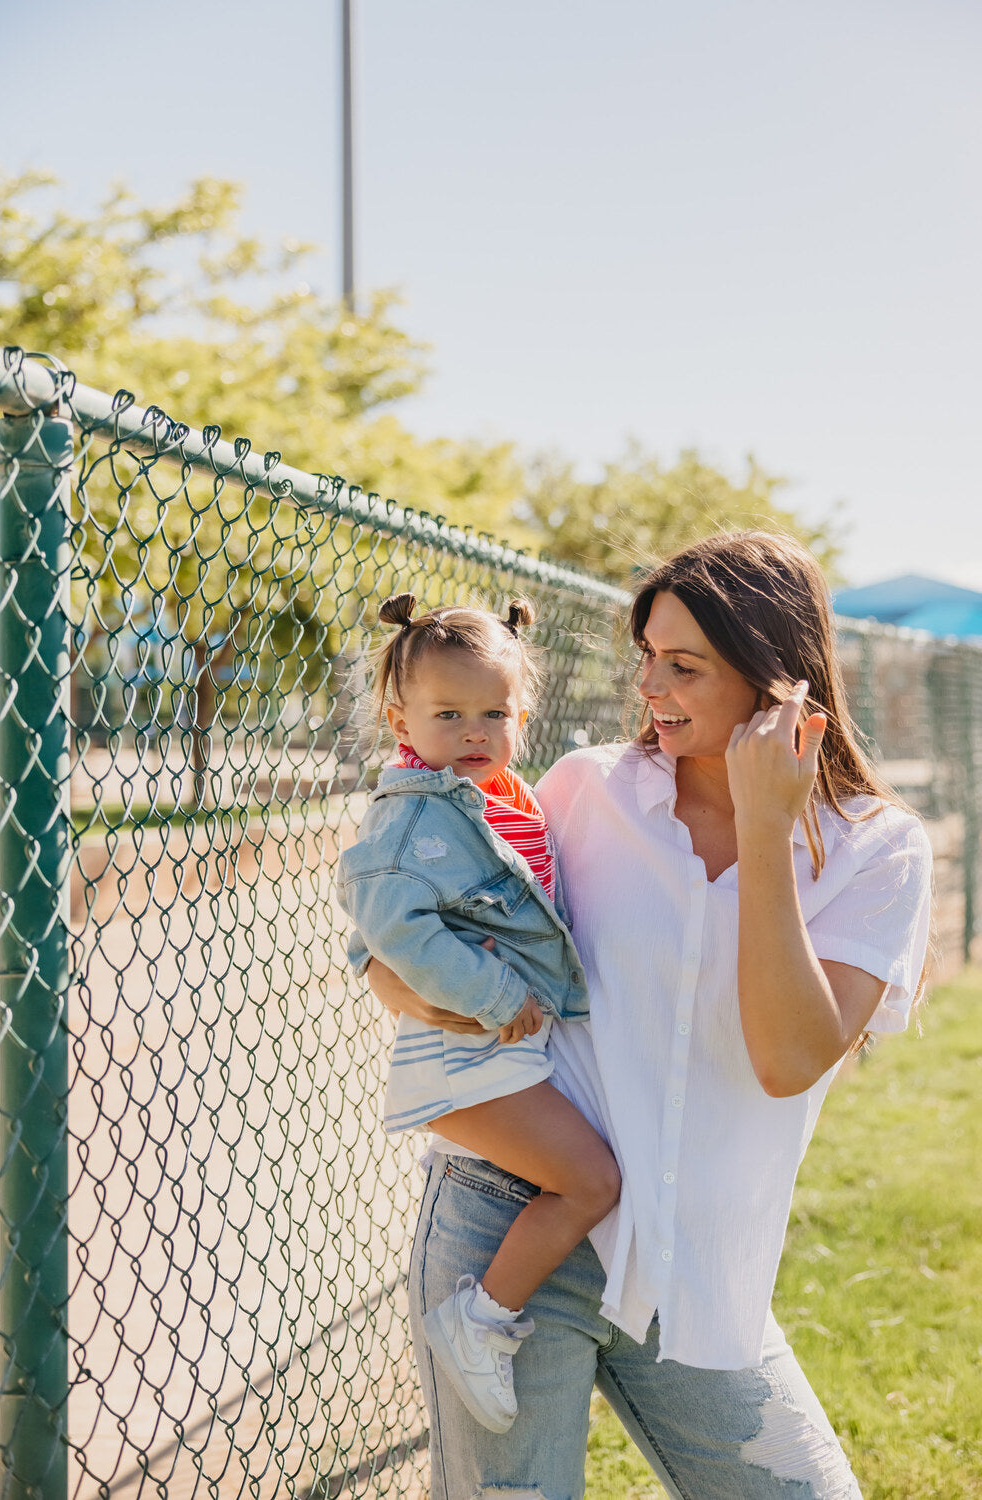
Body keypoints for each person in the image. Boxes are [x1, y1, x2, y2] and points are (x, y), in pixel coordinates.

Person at [366, 533, 934, 1499]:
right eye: (647, 656)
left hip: (695, 1262)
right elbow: (419, 933)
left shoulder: (878, 851)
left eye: (685, 666)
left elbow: (790, 1057)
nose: (650, 687)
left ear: (777, 681)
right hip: (512, 1225)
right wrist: (408, 984)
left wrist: (766, 824)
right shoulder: (583, 789)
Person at [337, 592, 620, 1435]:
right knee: (591, 1182)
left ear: (521, 716)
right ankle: (479, 1321)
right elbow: (387, 921)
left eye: (493, 713)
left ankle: (490, 1315)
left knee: (588, 1178)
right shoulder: (415, 813)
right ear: (401, 719)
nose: (474, 732)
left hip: (500, 1051)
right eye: (449, 714)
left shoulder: (502, 797)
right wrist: (497, 995)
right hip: (466, 1051)